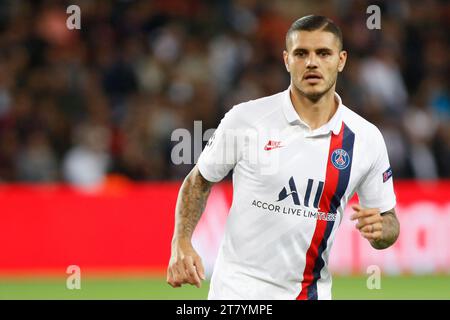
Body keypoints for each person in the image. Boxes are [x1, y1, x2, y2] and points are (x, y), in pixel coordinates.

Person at [167, 15, 400, 300]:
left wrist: (382, 230)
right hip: (237, 294)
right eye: (302, 53)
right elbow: (198, 181)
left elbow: (388, 220)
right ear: (287, 60)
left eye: (323, 53)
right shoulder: (246, 119)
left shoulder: (366, 138)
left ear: (341, 60)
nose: (312, 62)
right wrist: (181, 241)